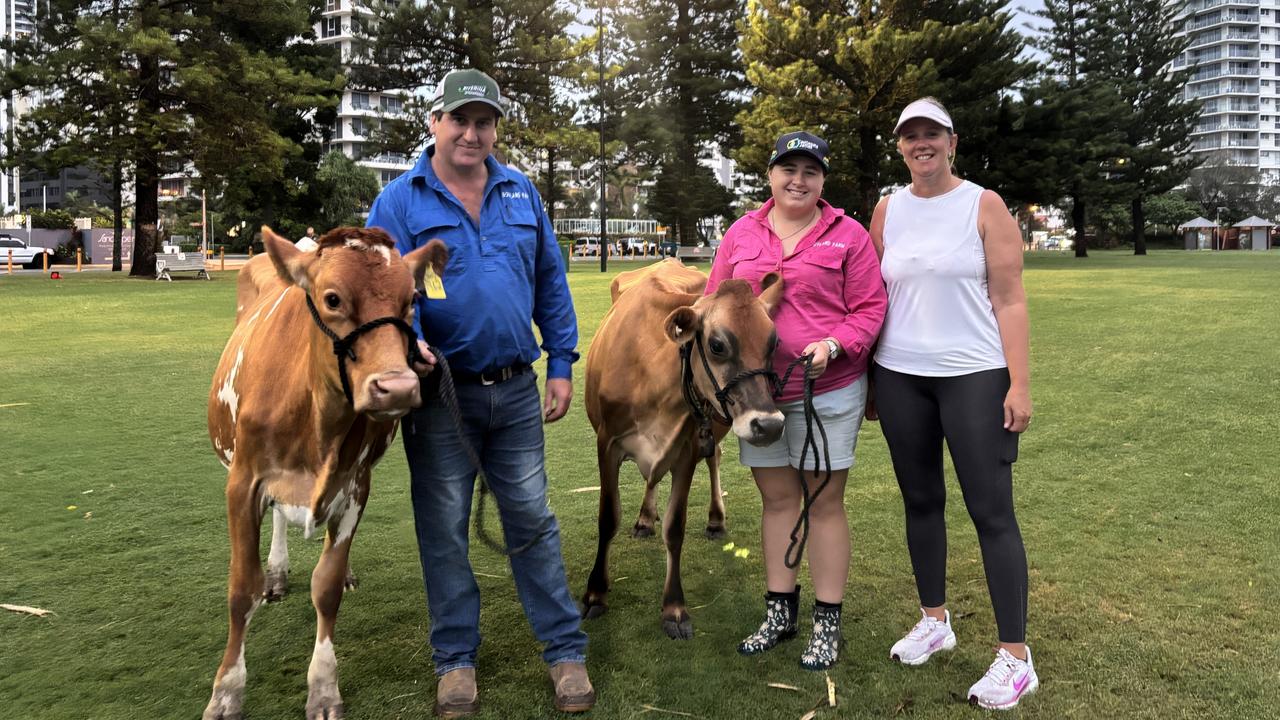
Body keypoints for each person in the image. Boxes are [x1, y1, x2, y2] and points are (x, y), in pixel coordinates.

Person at [365, 68, 592, 716]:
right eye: (459, 119)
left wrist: (561, 361)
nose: (470, 132)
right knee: (443, 532)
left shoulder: (521, 193)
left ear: (495, 129)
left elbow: (550, 279)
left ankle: (564, 652)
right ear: (434, 122)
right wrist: (409, 342)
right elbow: (378, 292)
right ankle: (455, 662)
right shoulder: (399, 202)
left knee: (532, 523)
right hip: (441, 398)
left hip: (518, 391)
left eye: (483, 121)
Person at [868, 97, 1037, 710]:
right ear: (901, 146)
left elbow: (1010, 299)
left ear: (952, 141)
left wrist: (1018, 383)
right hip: (900, 375)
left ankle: (1016, 657)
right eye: (910, 136)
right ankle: (934, 620)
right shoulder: (887, 209)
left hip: (974, 375)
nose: (922, 144)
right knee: (921, 501)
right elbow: (871, 296)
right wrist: (868, 379)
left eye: (931, 134)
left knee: (991, 511)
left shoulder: (983, 205)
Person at [706, 131, 886, 670]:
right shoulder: (741, 234)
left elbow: (870, 308)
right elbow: (713, 304)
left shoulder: (848, 235)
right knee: (778, 501)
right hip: (757, 396)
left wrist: (835, 344)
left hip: (827, 389)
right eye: (789, 169)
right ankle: (779, 615)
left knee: (823, 503)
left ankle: (827, 623)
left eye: (810, 171)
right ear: (771, 176)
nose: (798, 180)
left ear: (823, 180)